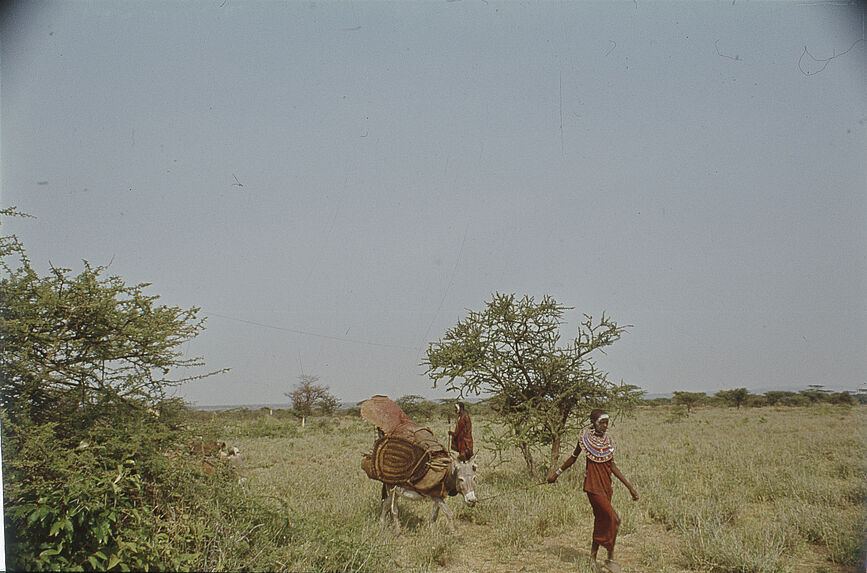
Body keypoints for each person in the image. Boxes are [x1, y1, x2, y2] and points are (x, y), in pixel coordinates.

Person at [546, 409, 639, 573]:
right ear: (594, 423)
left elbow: (612, 466)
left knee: (602, 519)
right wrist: (556, 474)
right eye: (602, 423)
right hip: (593, 486)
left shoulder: (607, 442)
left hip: (606, 486)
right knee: (614, 519)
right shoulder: (584, 439)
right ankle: (609, 558)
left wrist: (630, 487)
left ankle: (594, 558)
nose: (605, 426)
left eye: (607, 423)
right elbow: (573, 458)